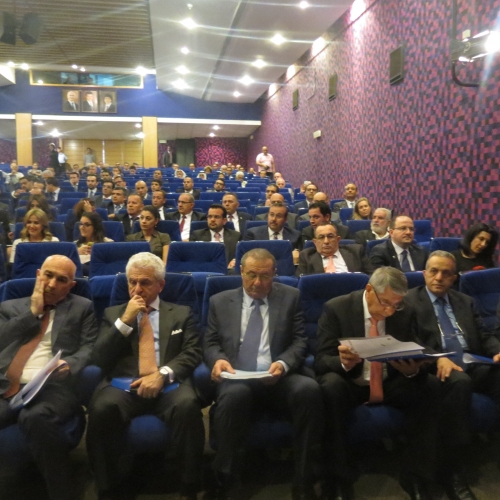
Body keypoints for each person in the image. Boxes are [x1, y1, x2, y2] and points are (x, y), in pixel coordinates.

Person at [204, 248, 325, 500]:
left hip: (278, 376)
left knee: (309, 390)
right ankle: (225, 479)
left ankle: (304, 479)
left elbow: (300, 341)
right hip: (238, 376)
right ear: (241, 272)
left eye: (265, 276)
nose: (258, 283)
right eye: (251, 275)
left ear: (274, 273)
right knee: (233, 397)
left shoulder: (290, 297)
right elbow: (210, 342)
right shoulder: (220, 301)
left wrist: (283, 363)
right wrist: (218, 360)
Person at [315, 267, 440, 500]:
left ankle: (417, 475)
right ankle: (337, 477)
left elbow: (416, 347)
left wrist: (413, 370)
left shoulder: (405, 312)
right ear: (369, 290)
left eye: (396, 305)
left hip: (388, 380)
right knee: (330, 387)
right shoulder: (337, 308)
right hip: (351, 383)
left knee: (428, 386)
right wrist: (343, 362)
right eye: (385, 303)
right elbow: (321, 360)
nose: (390, 311)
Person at [87, 253, 204, 500]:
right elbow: (99, 358)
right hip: (124, 384)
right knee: (101, 408)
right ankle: (108, 488)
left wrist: (162, 374)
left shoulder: (181, 313)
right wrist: (125, 321)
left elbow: (192, 352)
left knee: (187, 405)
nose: (137, 289)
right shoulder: (113, 314)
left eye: (145, 282)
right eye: (132, 282)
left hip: (168, 383)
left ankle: (189, 485)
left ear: (160, 285)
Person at [0, 255, 98, 500]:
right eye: (48, 275)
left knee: (36, 417)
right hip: (5, 386)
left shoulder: (82, 307)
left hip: (52, 387)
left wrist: (70, 364)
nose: (52, 284)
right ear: (38, 275)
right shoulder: (9, 306)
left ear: (71, 285)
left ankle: (61, 493)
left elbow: (89, 347)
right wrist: (32, 313)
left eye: (61, 280)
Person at [406, 251, 500, 500]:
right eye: (434, 271)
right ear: (424, 273)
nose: (439, 277)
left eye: (446, 273)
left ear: (454, 277)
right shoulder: (409, 301)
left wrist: (496, 351)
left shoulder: (465, 301)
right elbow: (408, 339)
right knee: (460, 383)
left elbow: (485, 335)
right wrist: (437, 357)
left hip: (471, 361)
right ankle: (452, 470)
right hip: (436, 366)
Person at [297, 223, 373, 276]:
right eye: (321, 237)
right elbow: (300, 281)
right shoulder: (306, 256)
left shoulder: (356, 251)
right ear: (315, 242)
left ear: (338, 239)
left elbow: (371, 275)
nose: (326, 241)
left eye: (330, 236)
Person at [189, 204, 241, 270]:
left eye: (216, 217)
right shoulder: (197, 235)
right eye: (210, 217)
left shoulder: (235, 236)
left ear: (224, 221)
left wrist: (235, 260)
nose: (212, 220)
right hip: (204, 270)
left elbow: (240, 255)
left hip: (228, 270)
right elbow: (191, 257)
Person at [75, 212, 113, 276]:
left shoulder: (108, 243)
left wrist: (97, 252)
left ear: (95, 227)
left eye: (87, 225)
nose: (82, 227)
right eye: (81, 224)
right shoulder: (74, 245)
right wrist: (76, 252)